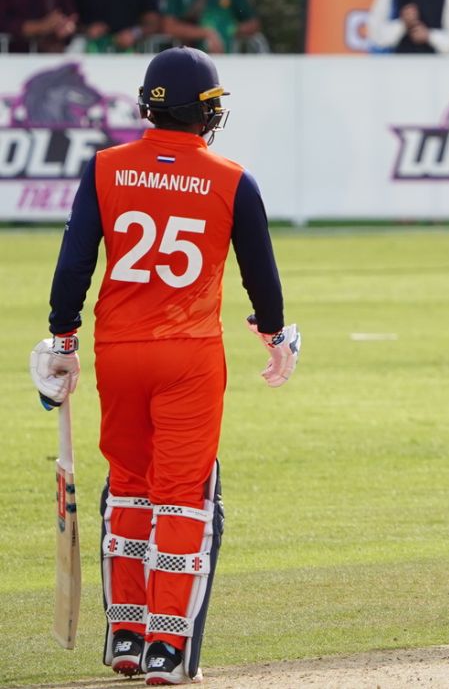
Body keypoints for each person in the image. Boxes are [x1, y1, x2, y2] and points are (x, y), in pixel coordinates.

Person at [28, 47, 301, 684]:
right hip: (189, 355)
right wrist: (275, 334)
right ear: (201, 112)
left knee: (128, 486)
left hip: (118, 353)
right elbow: (261, 278)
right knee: (183, 497)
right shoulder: (232, 179)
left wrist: (62, 339)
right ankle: (167, 648)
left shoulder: (105, 167)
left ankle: (126, 636)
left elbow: (74, 262)